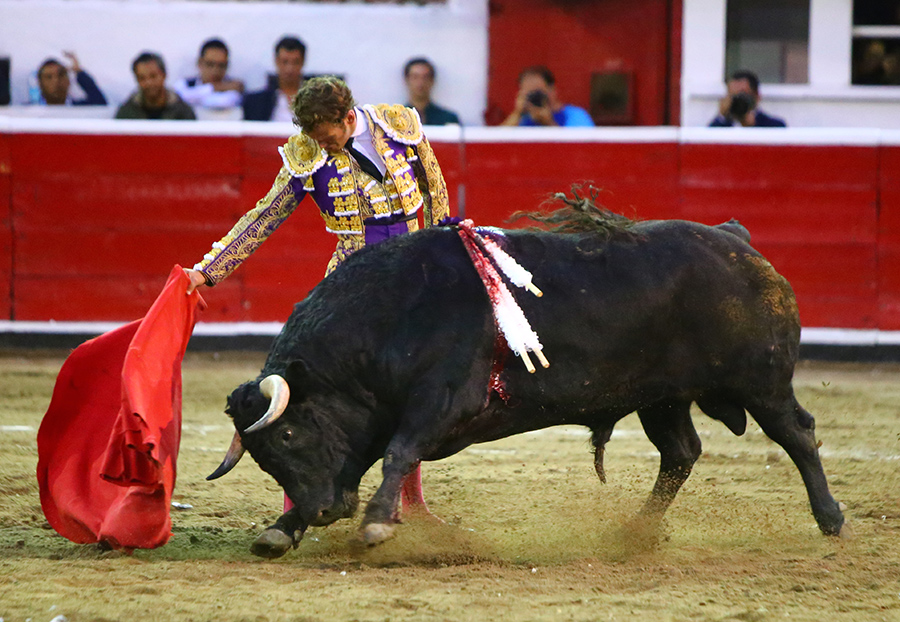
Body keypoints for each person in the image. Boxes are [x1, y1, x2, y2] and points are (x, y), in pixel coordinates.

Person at [186, 76, 449, 517]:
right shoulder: (306, 154)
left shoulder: (398, 125)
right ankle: (296, 503)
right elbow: (264, 217)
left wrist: (444, 254)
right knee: (312, 387)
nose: (324, 148)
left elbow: (436, 191)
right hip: (352, 282)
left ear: (348, 118)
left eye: (328, 137)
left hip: (414, 272)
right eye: (316, 140)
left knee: (414, 385)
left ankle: (412, 503)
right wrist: (208, 271)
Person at [501, 65, 594, 127]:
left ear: (552, 90)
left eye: (538, 92)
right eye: (529, 93)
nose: (534, 97)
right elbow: (496, 141)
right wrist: (517, 113)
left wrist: (548, 122)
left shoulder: (574, 115)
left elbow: (578, 148)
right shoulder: (522, 120)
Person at [116, 52, 196, 120]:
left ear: (164, 75)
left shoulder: (183, 112)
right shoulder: (127, 112)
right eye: (142, 78)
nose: (148, 83)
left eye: (153, 76)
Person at [243, 36, 306, 122]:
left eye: (295, 62)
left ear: (302, 63)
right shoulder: (256, 102)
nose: (289, 69)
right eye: (285, 62)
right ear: (276, 61)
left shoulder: (316, 102)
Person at [173, 38, 244, 112]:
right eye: (210, 64)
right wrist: (214, 87)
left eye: (221, 65)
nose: (215, 71)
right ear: (199, 63)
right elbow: (180, 97)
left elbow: (222, 103)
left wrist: (194, 96)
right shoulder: (185, 83)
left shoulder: (234, 88)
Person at [709, 70, 786, 128]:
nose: (737, 100)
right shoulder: (722, 125)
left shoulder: (774, 126)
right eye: (732, 95)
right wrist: (722, 116)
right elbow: (709, 141)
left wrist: (753, 126)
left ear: (757, 96)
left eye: (742, 95)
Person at [34, 52, 106, 106]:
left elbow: (101, 104)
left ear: (68, 81)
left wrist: (79, 72)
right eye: (49, 77)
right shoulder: (30, 112)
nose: (56, 81)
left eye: (61, 75)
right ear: (40, 83)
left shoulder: (80, 109)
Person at [403, 57, 460, 125]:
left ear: (432, 81)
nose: (420, 83)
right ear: (406, 80)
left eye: (425, 77)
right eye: (415, 77)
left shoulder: (448, 119)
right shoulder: (396, 119)